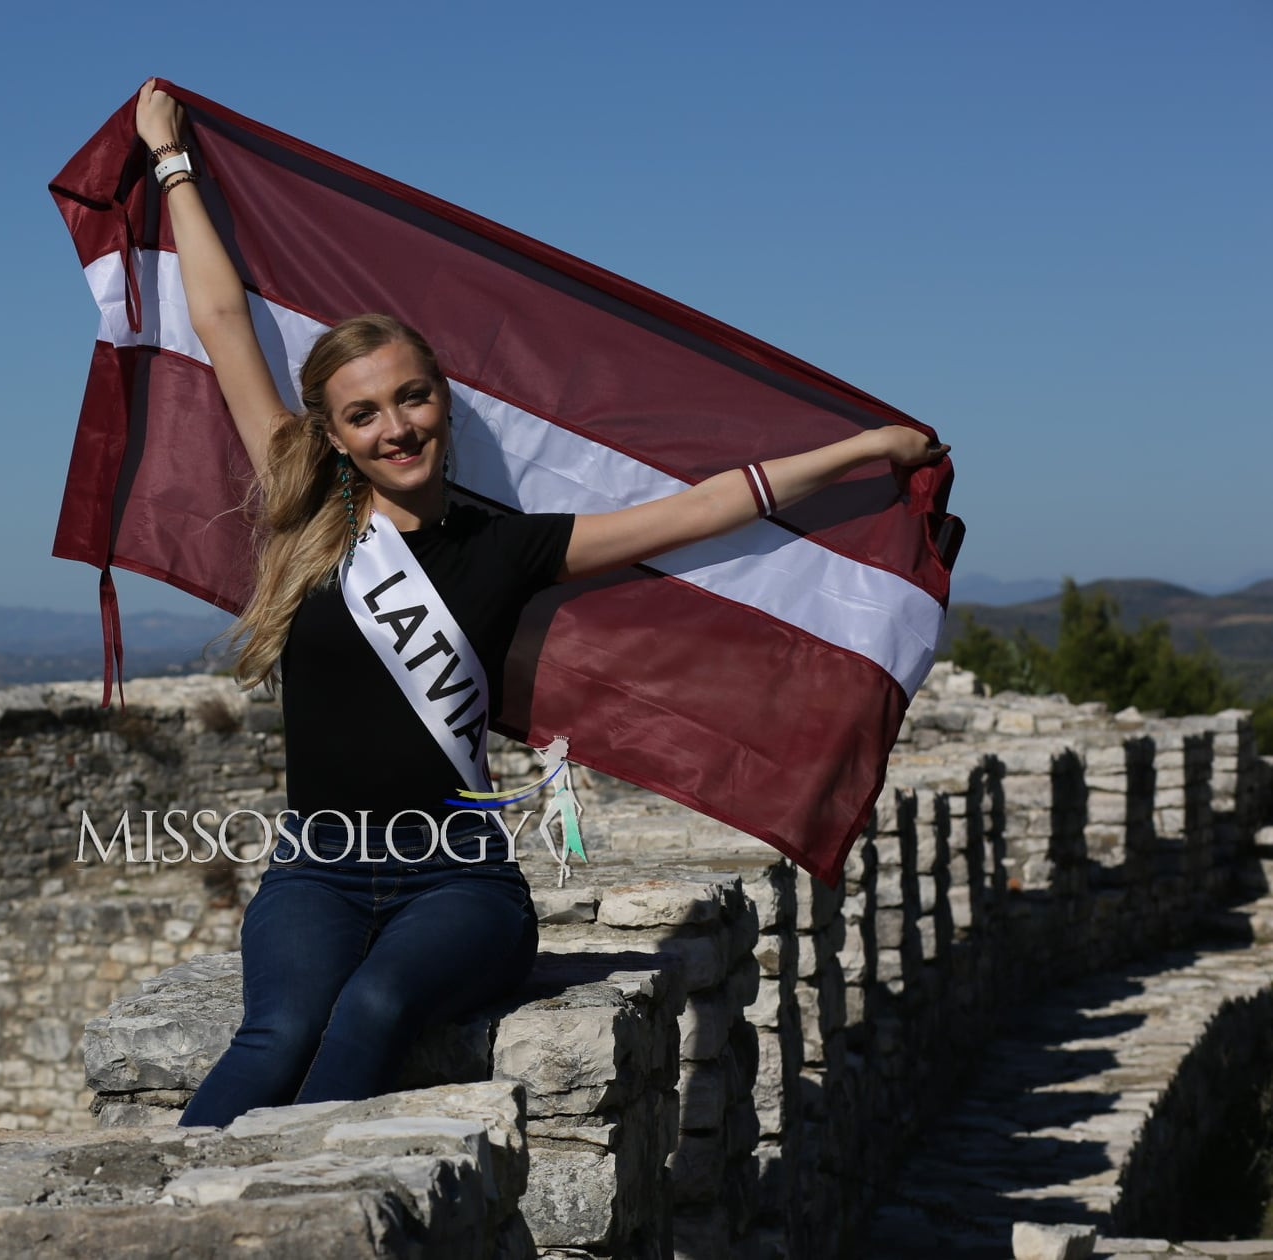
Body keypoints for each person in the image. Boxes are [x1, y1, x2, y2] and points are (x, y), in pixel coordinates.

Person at [132, 81, 948, 1128]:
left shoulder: (509, 547)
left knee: (373, 1010)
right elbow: (218, 319)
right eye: (366, 413)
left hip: (460, 887)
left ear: (444, 402)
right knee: (279, 1030)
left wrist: (863, 449)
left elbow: (694, 513)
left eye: (413, 397)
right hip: (319, 870)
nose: (396, 428)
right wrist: (173, 163)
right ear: (332, 434)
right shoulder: (304, 515)